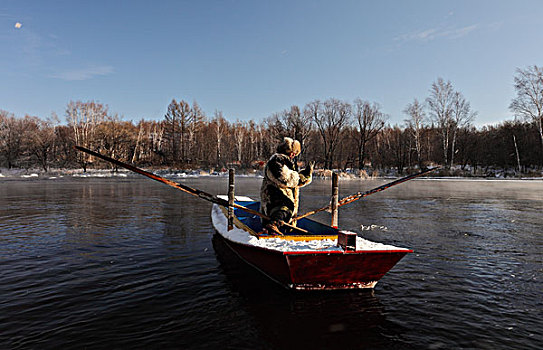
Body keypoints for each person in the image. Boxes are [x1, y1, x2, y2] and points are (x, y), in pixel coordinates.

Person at [260, 137, 314, 235]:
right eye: (294, 153)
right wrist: (301, 177)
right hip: (274, 195)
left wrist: (306, 175)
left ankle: (274, 229)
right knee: (283, 208)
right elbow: (284, 178)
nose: (294, 155)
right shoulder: (277, 160)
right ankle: (273, 225)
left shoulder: (288, 162)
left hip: (283, 196)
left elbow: (294, 180)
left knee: (286, 210)